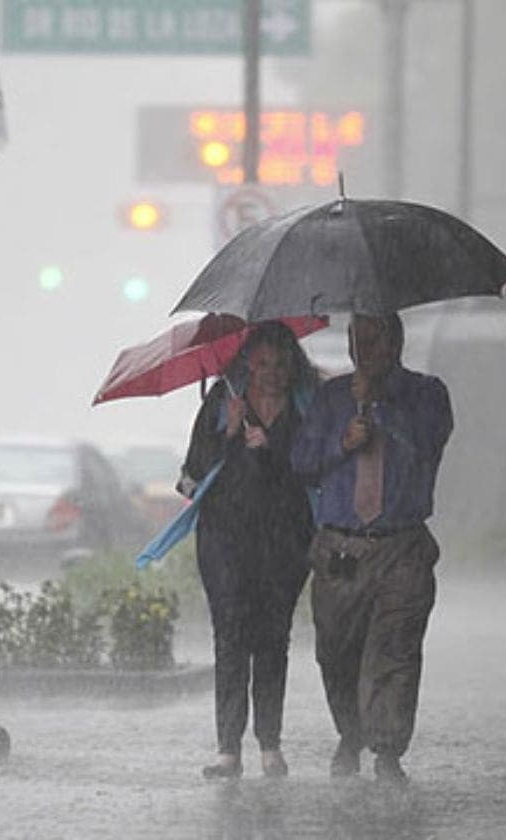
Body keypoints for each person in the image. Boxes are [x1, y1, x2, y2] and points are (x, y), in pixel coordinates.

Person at [291, 312, 453, 784]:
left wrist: (380, 410)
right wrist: (343, 443)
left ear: (397, 342)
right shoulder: (329, 398)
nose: (365, 350)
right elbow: (303, 462)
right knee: (336, 652)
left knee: (395, 651)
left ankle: (386, 749)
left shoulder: (427, 394)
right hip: (340, 546)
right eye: (356, 340)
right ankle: (351, 733)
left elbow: (427, 444)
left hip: (400, 546)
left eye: (376, 339)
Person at [179, 321, 320, 779]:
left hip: (284, 542)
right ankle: (227, 748)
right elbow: (190, 477)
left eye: (280, 364)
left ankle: (270, 745)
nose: (271, 373)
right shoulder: (222, 403)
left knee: (273, 638)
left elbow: (319, 467)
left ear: (292, 365)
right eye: (261, 364)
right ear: (247, 364)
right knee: (231, 635)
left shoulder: (308, 408)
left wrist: (275, 446)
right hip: (225, 540)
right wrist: (229, 433)